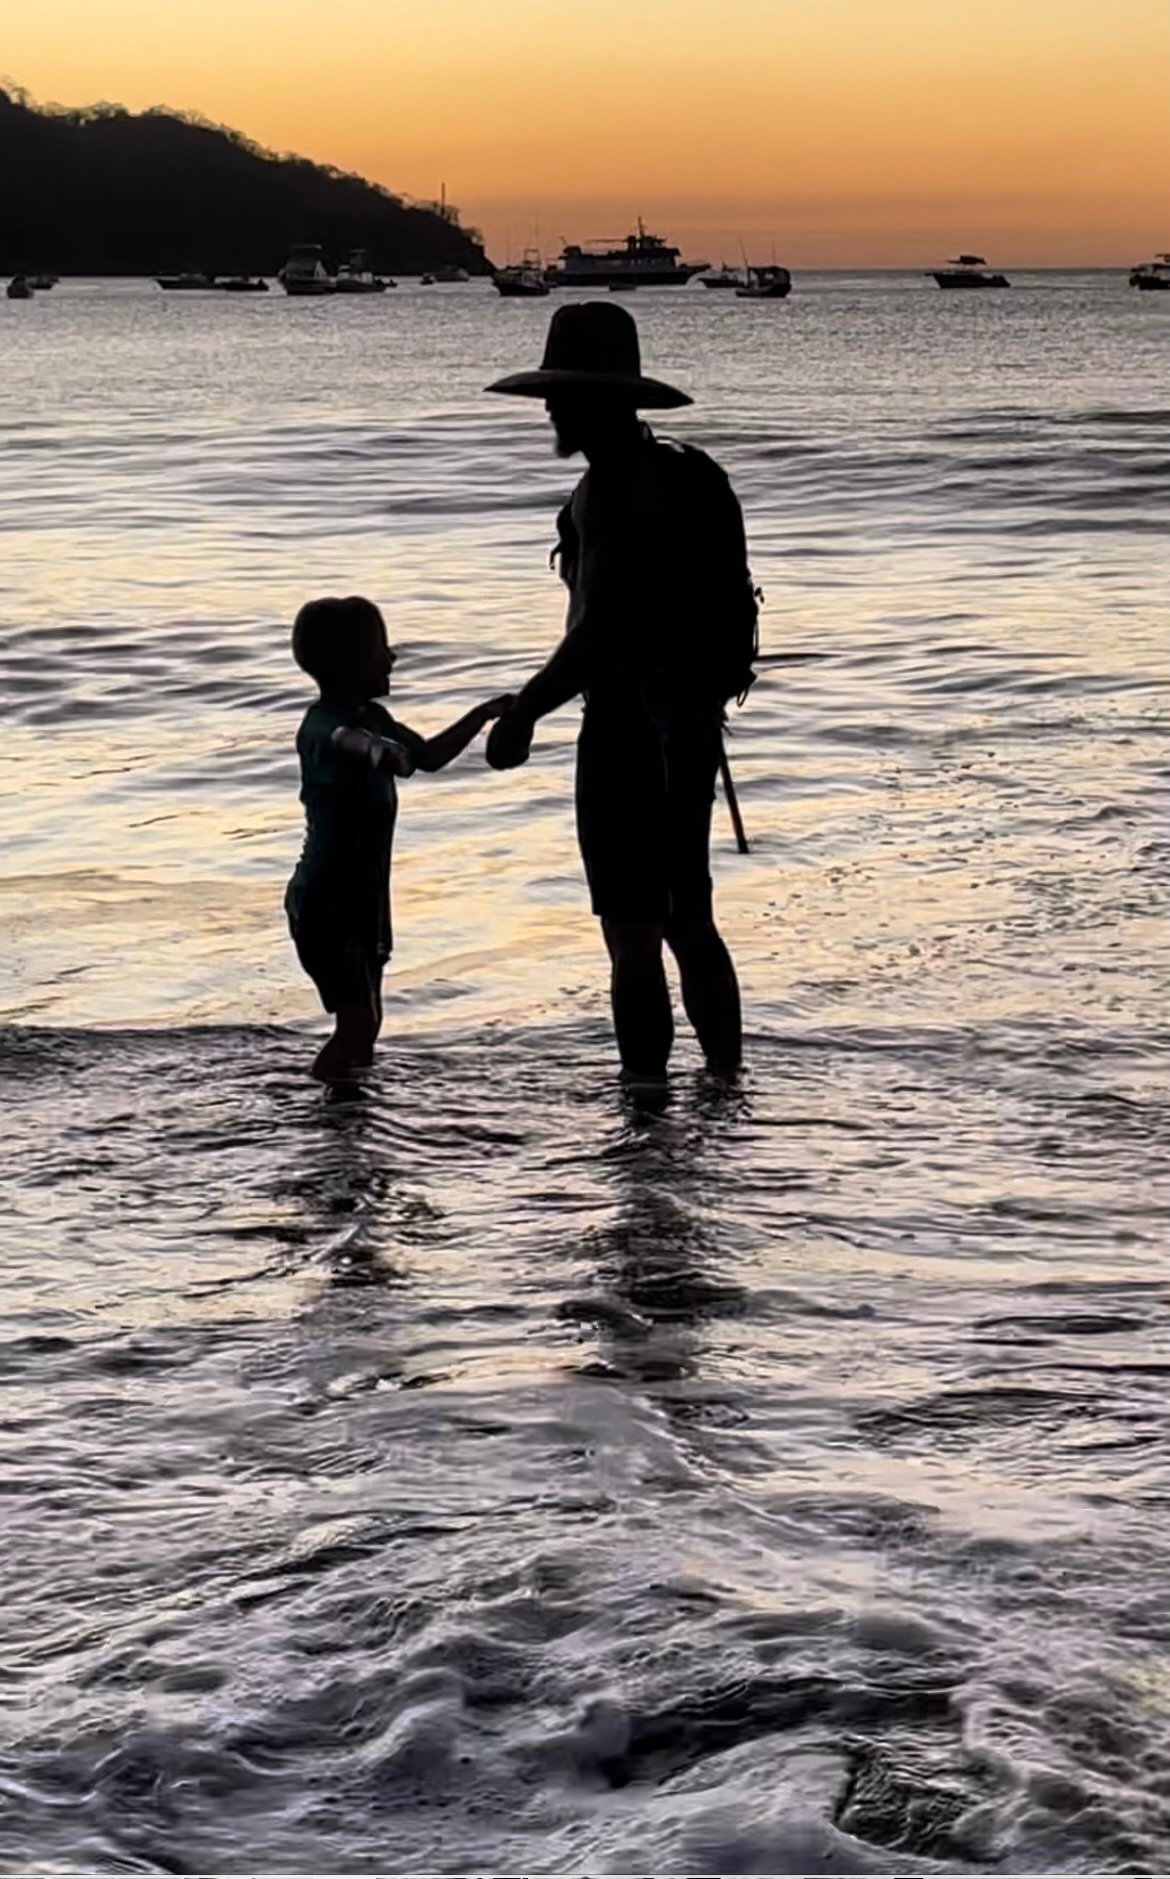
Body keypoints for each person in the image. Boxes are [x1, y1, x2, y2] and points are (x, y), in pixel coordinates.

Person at [484, 302, 757, 1086]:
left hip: (627, 730)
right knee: (689, 920)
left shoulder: (611, 489)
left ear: (593, 398)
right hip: (690, 721)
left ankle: (644, 1109)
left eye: (558, 393)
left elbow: (602, 629)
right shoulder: (676, 474)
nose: (548, 407)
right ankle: (726, 1091)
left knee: (631, 936)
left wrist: (525, 711)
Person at [286, 594, 511, 1082]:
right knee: (357, 1023)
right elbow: (342, 740)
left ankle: (350, 1110)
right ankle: (320, 1105)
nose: (391, 658)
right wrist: (376, 750)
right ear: (348, 661)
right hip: (326, 901)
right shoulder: (322, 724)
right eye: (380, 649)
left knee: (368, 1022)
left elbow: (428, 757)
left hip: (364, 899)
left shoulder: (375, 717)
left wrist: (484, 714)